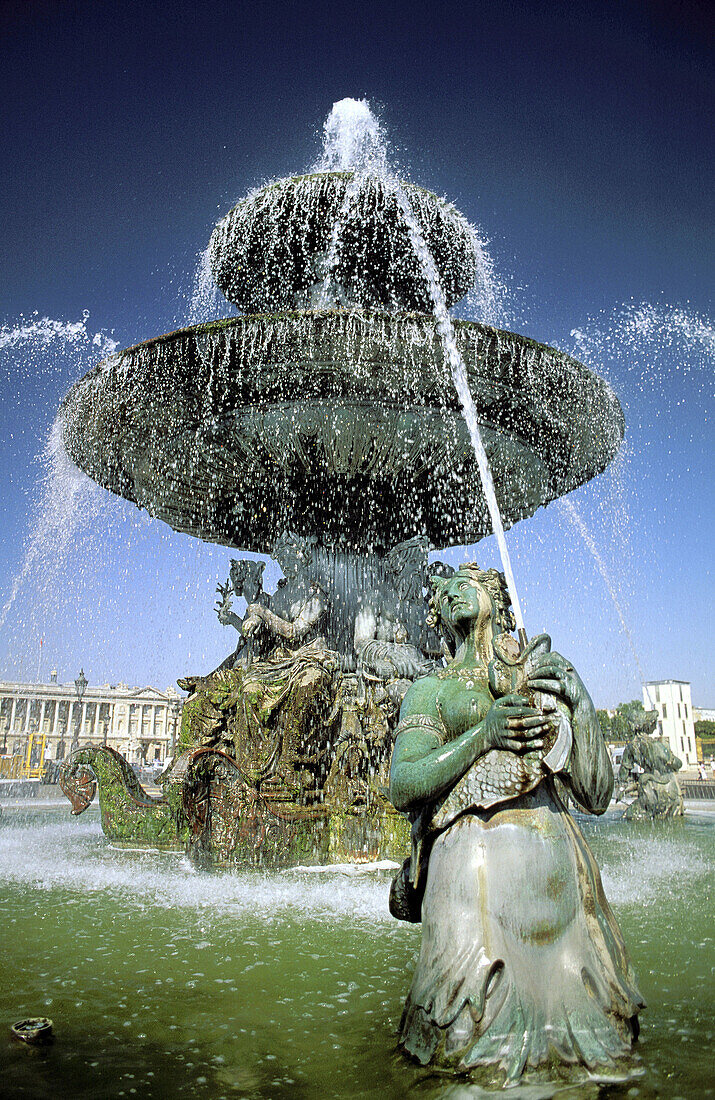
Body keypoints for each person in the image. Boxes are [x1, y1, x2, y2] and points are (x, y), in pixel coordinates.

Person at [389, 563, 643, 1083]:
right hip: (473, 879)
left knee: (596, 1050)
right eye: (444, 591)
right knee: (469, 1042)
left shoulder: (542, 672)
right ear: (435, 613)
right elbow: (404, 783)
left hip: (563, 883)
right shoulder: (432, 688)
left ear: (495, 598)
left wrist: (581, 700)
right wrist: (484, 733)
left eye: (468, 584)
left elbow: (596, 794)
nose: (453, 593)